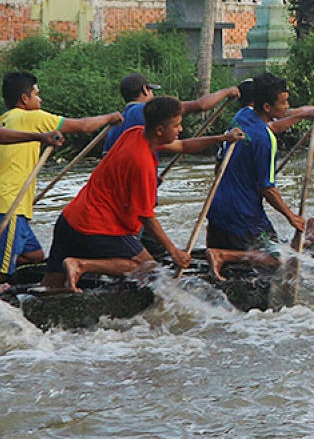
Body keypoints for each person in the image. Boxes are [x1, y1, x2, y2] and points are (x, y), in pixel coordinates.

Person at [44, 97, 242, 291]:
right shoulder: (143, 164)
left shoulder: (135, 132)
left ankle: (65, 278)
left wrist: (222, 139)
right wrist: (174, 251)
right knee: (149, 269)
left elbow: (183, 146)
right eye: (176, 125)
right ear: (160, 130)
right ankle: (81, 265)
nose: (180, 129)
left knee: (50, 287)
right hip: (99, 226)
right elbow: (146, 216)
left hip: (70, 218)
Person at [0, 72, 122, 273]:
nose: (40, 99)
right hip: (10, 203)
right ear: (24, 99)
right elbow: (83, 126)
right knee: (3, 272)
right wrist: (110, 117)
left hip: (11, 202)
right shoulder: (32, 117)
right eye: (37, 94)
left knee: (34, 255)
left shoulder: (4, 119)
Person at [203, 74, 314, 277]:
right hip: (243, 214)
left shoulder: (243, 115)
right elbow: (267, 188)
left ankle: (222, 258)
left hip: (217, 205)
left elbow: (272, 124)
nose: (287, 106)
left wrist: (303, 114)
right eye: (284, 102)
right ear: (267, 107)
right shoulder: (266, 140)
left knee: (226, 270)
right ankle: (222, 255)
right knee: (281, 259)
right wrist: (291, 216)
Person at [103, 73, 238, 152]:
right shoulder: (149, 110)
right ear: (145, 90)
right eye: (151, 90)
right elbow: (200, 105)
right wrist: (227, 92)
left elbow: (181, 146)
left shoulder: (115, 125)